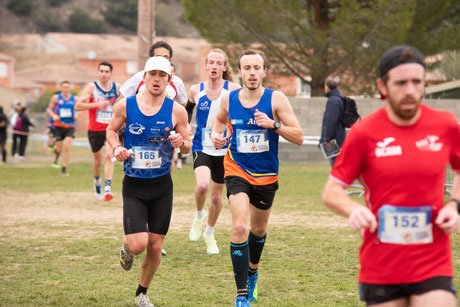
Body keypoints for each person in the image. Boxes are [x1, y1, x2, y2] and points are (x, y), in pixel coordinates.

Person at [321, 45, 460, 307]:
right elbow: (331, 191)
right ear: (382, 86)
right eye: (401, 83)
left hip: (433, 262)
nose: (410, 90)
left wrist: (454, 204)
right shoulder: (364, 132)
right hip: (381, 265)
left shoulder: (445, 125)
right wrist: (352, 208)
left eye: (417, 82)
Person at [211, 49, 304, 306]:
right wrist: (215, 136)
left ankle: (252, 272)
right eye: (247, 68)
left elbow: (299, 137)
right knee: (239, 227)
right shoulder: (229, 99)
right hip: (236, 169)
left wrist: (273, 125)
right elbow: (218, 122)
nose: (252, 73)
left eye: (256, 68)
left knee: (258, 229)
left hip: (266, 175)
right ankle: (241, 295)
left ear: (264, 72)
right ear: (239, 72)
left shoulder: (277, 99)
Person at [106, 56, 191, 307]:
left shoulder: (177, 110)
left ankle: (142, 293)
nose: (157, 79)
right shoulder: (126, 105)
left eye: (162, 75)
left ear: (169, 80)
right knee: (138, 244)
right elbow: (111, 130)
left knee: (155, 246)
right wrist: (117, 147)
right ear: (144, 77)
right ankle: (126, 244)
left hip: (162, 186)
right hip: (134, 184)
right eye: (152, 74)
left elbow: (187, 145)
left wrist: (180, 143)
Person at [187, 48, 241, 255]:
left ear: (224, 67)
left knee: (217, 198)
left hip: (224, 148)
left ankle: (209, 233)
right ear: (206, 65)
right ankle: (199, 216)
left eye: (219, 63)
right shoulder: (195, 90)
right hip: (202, 146)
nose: (215, 66)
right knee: (201, 186)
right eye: (212, 62)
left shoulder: (233, 89)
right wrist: (183, 131)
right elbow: (186, 111)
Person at [75, 62, 119, 201]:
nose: (104, 74)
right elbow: (78, 106)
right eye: (101, 71)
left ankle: (107, 188)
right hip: (94, 129)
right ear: (98, 72)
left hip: (110, 128)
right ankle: (97, 179)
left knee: (108, 156)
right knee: (98, 160)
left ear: (111, 73)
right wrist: (96, 104)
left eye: (106, 71)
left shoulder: (117, 88)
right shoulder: (92, 87)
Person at [118, 41, 187, 106]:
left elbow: (185, 107)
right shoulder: (138, 78)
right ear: (150, 58)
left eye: (166, 58)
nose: (161, 60)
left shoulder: (177, 82)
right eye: (158, 57)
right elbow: (118, 104)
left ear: (170, 60)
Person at [48, 80, 77, 175]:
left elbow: (79, 108)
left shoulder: (74, 98)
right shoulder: (56, 98)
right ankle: (55, 154)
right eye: (64, 87)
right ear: (61, 88)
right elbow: (49, 109)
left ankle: (64, 168)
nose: (65, 89)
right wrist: (53, 115)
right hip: (58, 126)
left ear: (70, 88)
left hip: (70, 126)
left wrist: (78, 115)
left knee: (67, 146)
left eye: (67, 87)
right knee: (59, 149)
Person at [319, 77, 346, 166]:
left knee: (335, 165)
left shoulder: (333, 101)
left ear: (327, 87)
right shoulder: (338, 99)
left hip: (334, 141)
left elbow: (331, 121)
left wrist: (327, 139)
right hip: (339, 138)